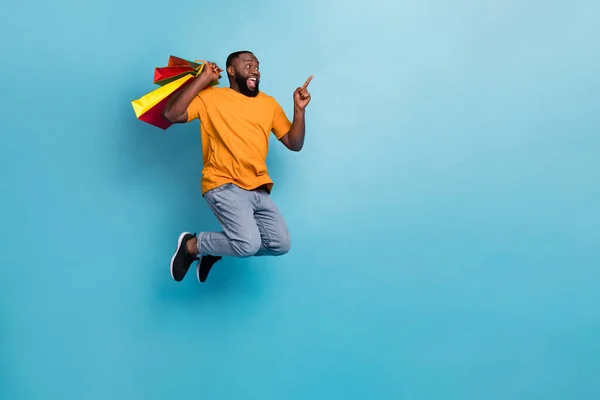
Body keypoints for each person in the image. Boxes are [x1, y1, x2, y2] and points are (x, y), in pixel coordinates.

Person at [162, 51, 313, 283]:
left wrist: (299, 110)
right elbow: (171, 114)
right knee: (248, 244)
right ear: (231, 71)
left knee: (280, 244)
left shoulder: (268, 104)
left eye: (257, 66)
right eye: (249, 65)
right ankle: (192, 246)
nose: (255, 70)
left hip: (258, 188)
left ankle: (212, 249)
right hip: (223, 183)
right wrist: (202, 80)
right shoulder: (211, 97)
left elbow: (294, 143)